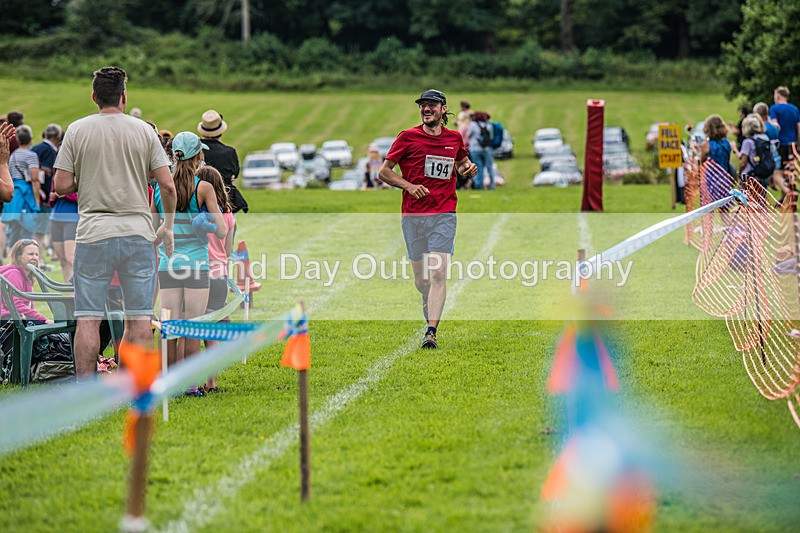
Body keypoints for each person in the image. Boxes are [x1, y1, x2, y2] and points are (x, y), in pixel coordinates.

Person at [54, 66, 177, 382]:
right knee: (140, 319)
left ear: (94, 96)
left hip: (94, 232)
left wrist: (91, 176)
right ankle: (140, 386)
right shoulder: (143, 131)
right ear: (124, 96)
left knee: (88, 319)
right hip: (136, 232)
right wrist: (168, 226)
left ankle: (85, 389)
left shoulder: (77, 130)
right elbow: (168, 185)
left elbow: (61, 185)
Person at [378, 89, 477, 349]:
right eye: (423, 105)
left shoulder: (454, 138)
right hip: (413, 217)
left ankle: (431, 332)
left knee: (438, 273)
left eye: (432, 105)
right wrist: (409, 186)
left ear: (444, 109)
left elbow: (461, 164)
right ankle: (426, 297)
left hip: (444, 213)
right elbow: (384, 172)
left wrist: (467, 169)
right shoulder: (407, 137)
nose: (427, 109)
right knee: (422, 280)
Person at [151, 131, 226, 396]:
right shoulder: (203, 188)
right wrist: (202, 221)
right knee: (194, 326)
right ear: (198, 156)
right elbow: (221, 230)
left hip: (168, 264)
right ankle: (192, 385)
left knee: (169, 326)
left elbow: (154, 230)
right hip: (196, 264)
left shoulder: (160, 189)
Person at [196, 164, 235, 393]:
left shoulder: (197, 215)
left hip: (199, 273)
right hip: (220, 274)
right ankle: (212, 382)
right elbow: (228, 250)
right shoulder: (228, 215)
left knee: (196, 331)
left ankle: (193, 381)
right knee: (213, 332)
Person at [198, 109, 249, 214]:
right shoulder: (229, 152)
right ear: (220, 132)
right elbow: (235, 174)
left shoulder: (195, 150)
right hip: (224, 201)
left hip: (198, 200)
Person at [3, 125, 41, 253]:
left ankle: (10, 265)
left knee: (14, 233)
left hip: (14, 196)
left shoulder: (12, 155)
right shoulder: (31, 155)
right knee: (28, 232)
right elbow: (35, 179)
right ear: (30, 138)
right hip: (26, 195)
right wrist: (37, 202)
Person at [31, 123, 62, 269]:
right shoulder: (50, 151)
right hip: (43, 197)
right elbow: (47, 173)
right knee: (40, 231)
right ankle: (39, 260)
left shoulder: (35, 148)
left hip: (32, 194)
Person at [754, 102, 786, 196]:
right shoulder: (774, 127)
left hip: (768, 157)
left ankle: (789, 193)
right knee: (776, 175)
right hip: (776, 153)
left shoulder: (763, 129)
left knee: (775, 177)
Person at [699, 115, 733, 201]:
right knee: (724, 208)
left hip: (710, 180)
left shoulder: (706, 145)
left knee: (708, 207)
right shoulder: (727, 143)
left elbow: (701, 162)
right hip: (724, 178)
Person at [769, 86, 800, 177]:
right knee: (790, 171)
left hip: (780, 144)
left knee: (779, 172)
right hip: (792, 144)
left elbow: (775, 125)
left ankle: (785, 190)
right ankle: (790, 190)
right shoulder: (794, 109)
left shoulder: (774, 108)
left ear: (778, 96)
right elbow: (799, 127)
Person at [468, 111, 496, 190]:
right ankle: (492, 186)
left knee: (478, 168)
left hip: (475, 149)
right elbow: (491, 137)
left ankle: (479, 186)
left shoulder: (473, 124)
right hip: (486, 149)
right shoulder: (488, 125)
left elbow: (469, 134)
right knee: (490, 167)